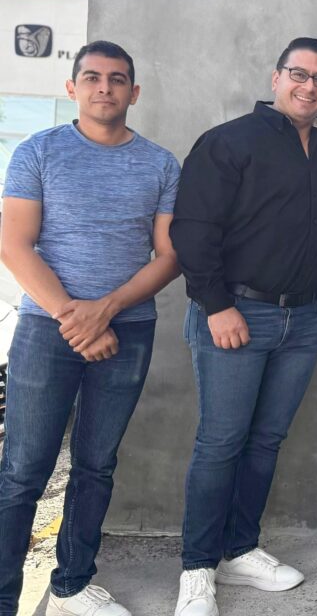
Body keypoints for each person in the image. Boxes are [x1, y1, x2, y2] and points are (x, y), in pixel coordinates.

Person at [170, 38, 317, 616]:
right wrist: (215, 304)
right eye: (298, 74)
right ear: (276, 78)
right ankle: (197, 569)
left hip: (302, 319)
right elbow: (192, 228)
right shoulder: (230, 141)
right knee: (221, 442)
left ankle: (240, 550)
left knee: (266, 440)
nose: (308, 85)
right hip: (236, 313)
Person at [0, 41, 180, 616]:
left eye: (118, 79)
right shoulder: (38, 151)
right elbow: (14, 243)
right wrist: (73, 317)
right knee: (22, 471)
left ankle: (71, 586)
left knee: (96, 465)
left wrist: (104, 310)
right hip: (45, 330)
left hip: (128, 331)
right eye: (93, 77)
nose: (105, 87)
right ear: (72, 88)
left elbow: (169, 255)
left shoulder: (161, 164)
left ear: (134, 92)